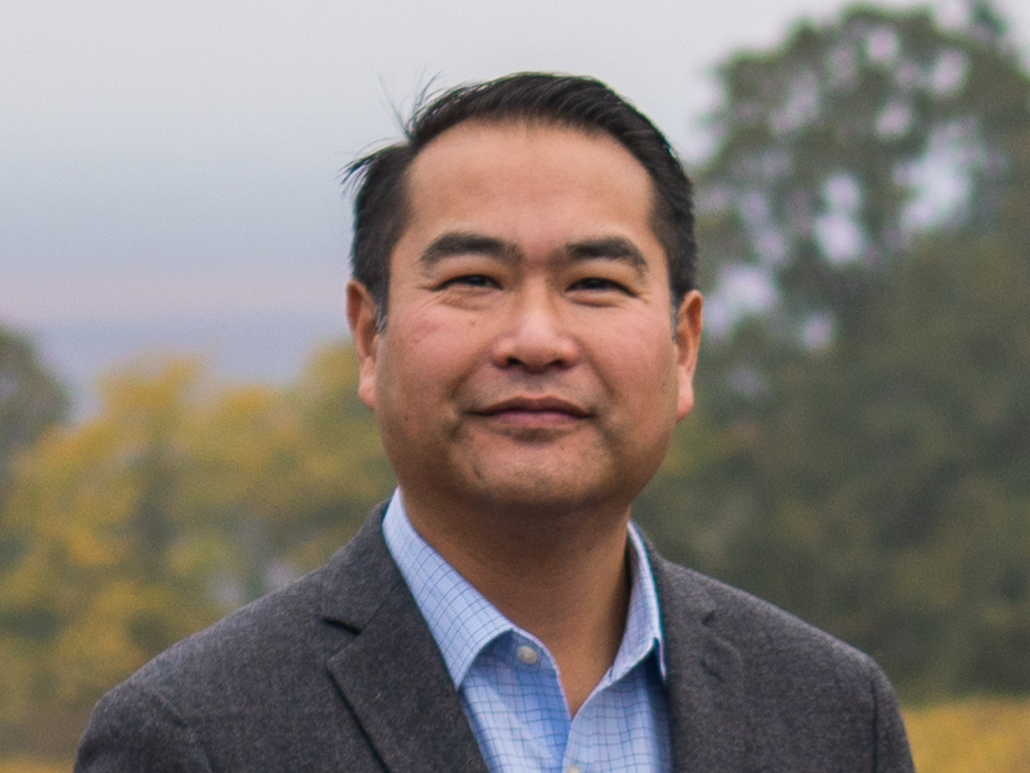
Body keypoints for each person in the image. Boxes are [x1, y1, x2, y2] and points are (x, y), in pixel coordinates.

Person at [75, 73, 915, 772]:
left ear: (683, 345)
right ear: (371, 337)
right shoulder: (192, 736)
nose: (536, 340)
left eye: (594, 283)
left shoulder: (835, 717)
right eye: (475, 279)